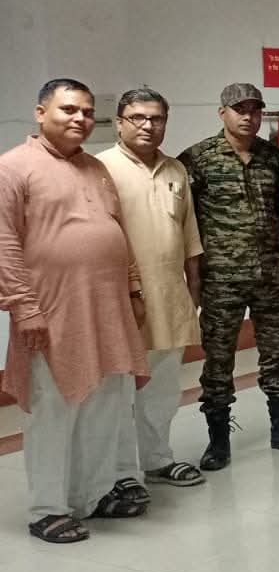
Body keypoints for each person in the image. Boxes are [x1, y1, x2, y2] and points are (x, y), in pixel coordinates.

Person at [0, 79, 149, 542]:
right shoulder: (12, 167)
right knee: (53, 409)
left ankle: (94, 494)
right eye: (68, 109)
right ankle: (48, 509)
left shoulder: (95, 167)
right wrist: (24, 308)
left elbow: (118, 231)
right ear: (40, 112)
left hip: (107, 308)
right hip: (52, 310)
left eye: (86, 111)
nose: (80, 118)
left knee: (105, 403)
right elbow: (4, 243)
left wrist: (133, 289)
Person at [181, 83, 279, 469]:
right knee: (218, 359)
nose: (248, 117)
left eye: (254, 110)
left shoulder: (274, 158)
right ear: (223, 113)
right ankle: (218, 440)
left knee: (278, 353)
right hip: (221, 277)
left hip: (270, 272)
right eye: (239, 109)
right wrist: (192, 276)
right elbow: (185, 219)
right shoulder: (198, 158)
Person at [100, 86, 206, 491]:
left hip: (170, 295)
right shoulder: (100, 168)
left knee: (162, 388)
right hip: (122, 300)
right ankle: (121, 473)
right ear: (119, 123)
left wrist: (193, 290)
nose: (148, 125)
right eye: (138, 118)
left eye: (156, 118)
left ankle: (158, 459)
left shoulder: (175, 170)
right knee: (119, 391)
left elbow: (189, 235)